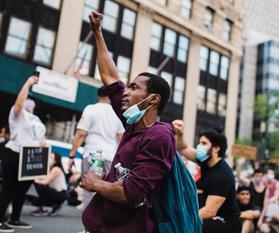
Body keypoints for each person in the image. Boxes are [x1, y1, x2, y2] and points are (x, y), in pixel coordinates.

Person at [79, 11, 175, 233]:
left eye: (133, 88)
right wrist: (97, 32)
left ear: (153, 99)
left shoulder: (159, 136)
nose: (125, 92)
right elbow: (111, 78)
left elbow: (133, 194)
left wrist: (96, 184)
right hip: (101, 224)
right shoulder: (132, 123)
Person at [172, 120, 241, 233]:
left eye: (204, 143)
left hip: (227, 223)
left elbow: (209, 211)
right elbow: (183, 148)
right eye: (199, 142)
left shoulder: (223, 175)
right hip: (212, 217)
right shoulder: (205, 162)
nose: (199, 146)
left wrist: (183, 219)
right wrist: (179, 134)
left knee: (186, 227)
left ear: (216, 148)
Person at [0, 76, 46, 232]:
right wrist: (28, 83)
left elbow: (41, 138)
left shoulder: (37, 120)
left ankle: (15, 219)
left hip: (30, 158)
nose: (29, 103)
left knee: (21, 190)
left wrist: (43, 146)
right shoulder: (17, 114)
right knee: (9, 188)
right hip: (14, 153)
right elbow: (19, 103)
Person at [68, 86, 124, 209]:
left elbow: (81, 133)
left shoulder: (91, 109)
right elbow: (121, 138)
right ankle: (104, 225)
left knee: (90, 189)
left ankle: (89, 227)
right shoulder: (118, 112)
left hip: (93, 154)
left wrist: (72, 155)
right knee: (108, 191)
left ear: (99, 95)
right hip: (111, 156)